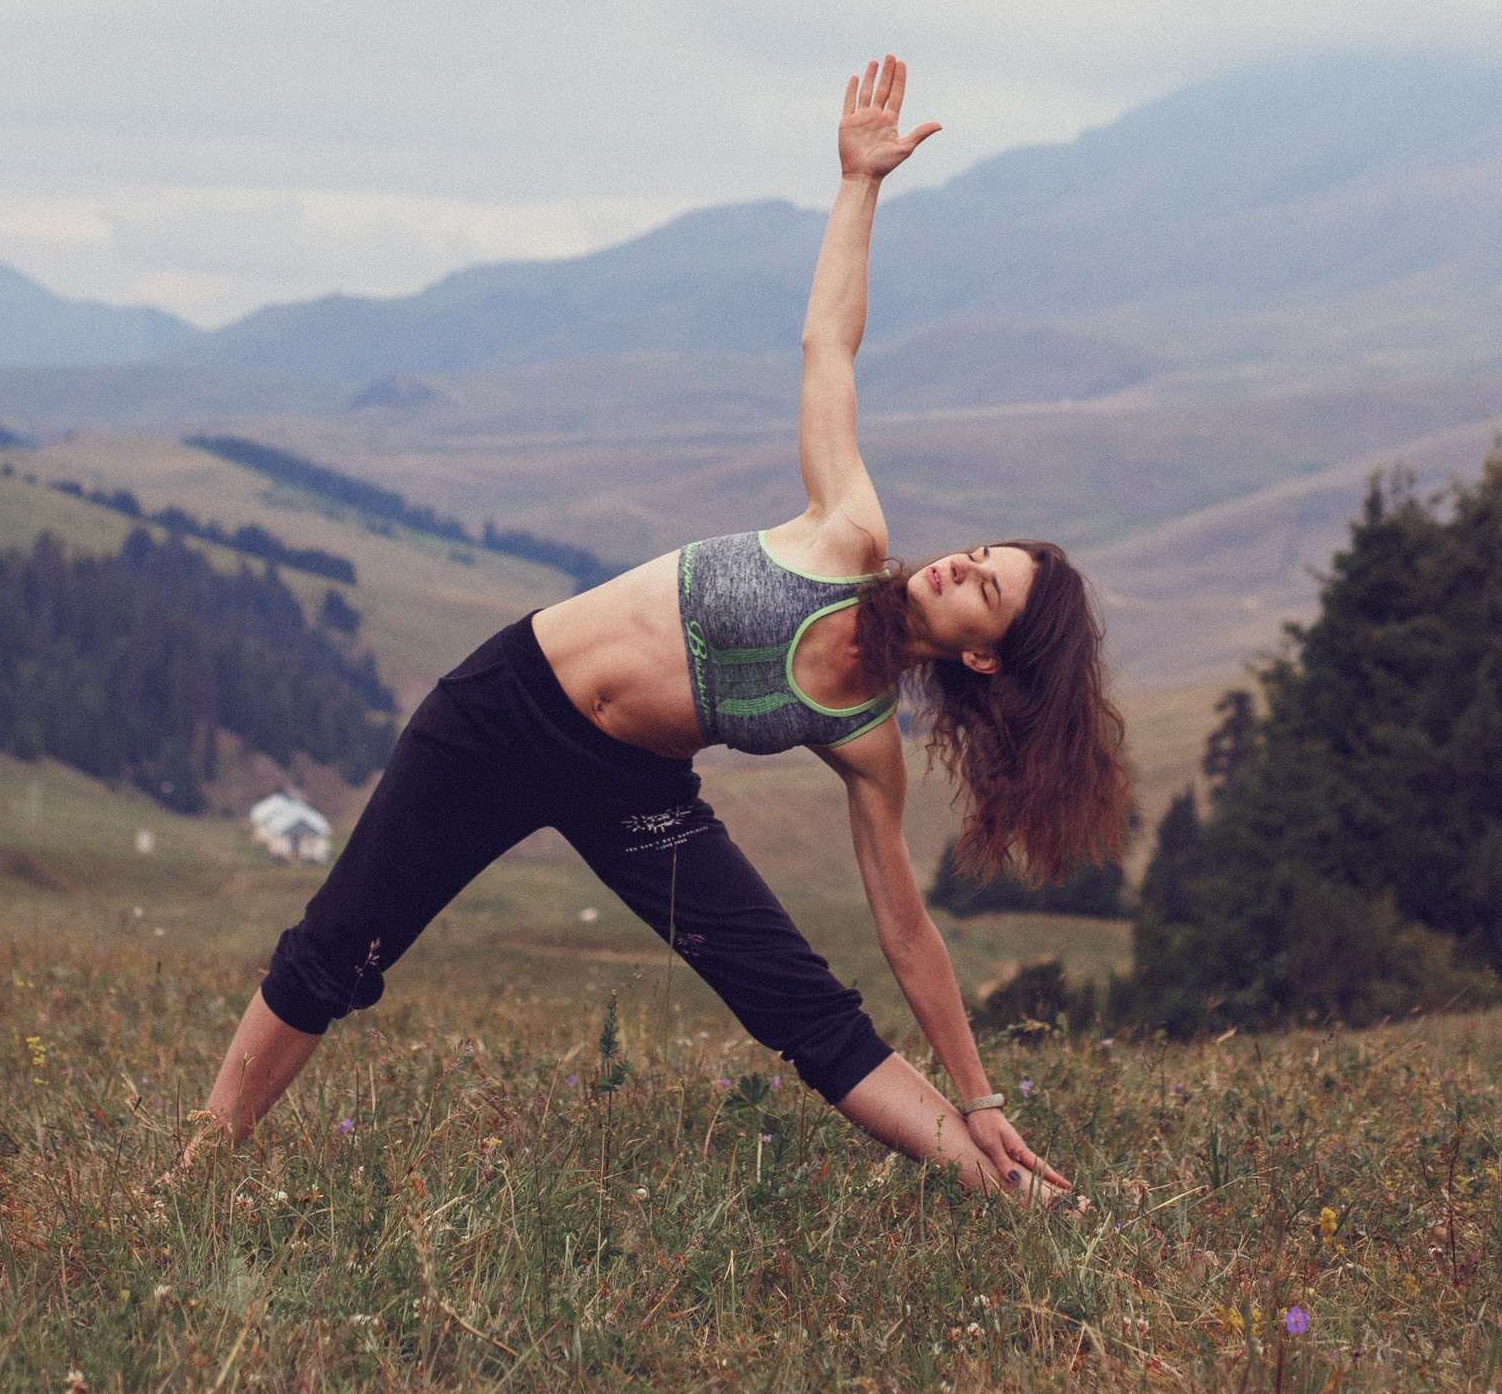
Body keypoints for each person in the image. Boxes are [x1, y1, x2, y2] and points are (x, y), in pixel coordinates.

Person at [194, 58, 1131, 1200]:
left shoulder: (864, 739)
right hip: (504, 708)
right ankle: (196, 1175)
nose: (958, 565)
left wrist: (979, 1097)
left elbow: (905, 932)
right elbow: (828, 348)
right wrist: (858, 186)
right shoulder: (846, 531)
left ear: (981, 653)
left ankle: (1025, 1197)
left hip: (631, 793)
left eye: (981, 590)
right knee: (340, 944)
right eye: (979, 554)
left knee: (803, 1010)